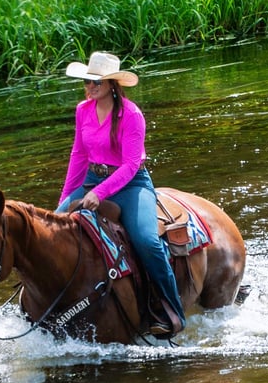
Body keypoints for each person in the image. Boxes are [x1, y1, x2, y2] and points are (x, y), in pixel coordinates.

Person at [56, 52, 186, 336]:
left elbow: (130, 165)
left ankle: (172, 310)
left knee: (147, 240)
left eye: (96, 83)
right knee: (52, 228)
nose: (89, 88)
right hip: (91, 178)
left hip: (130, 184)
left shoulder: (131, 115)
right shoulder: (82, 110)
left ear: (112, 84)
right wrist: (64, 200)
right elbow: (78, 155)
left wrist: (100, 193)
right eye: (87, 82)